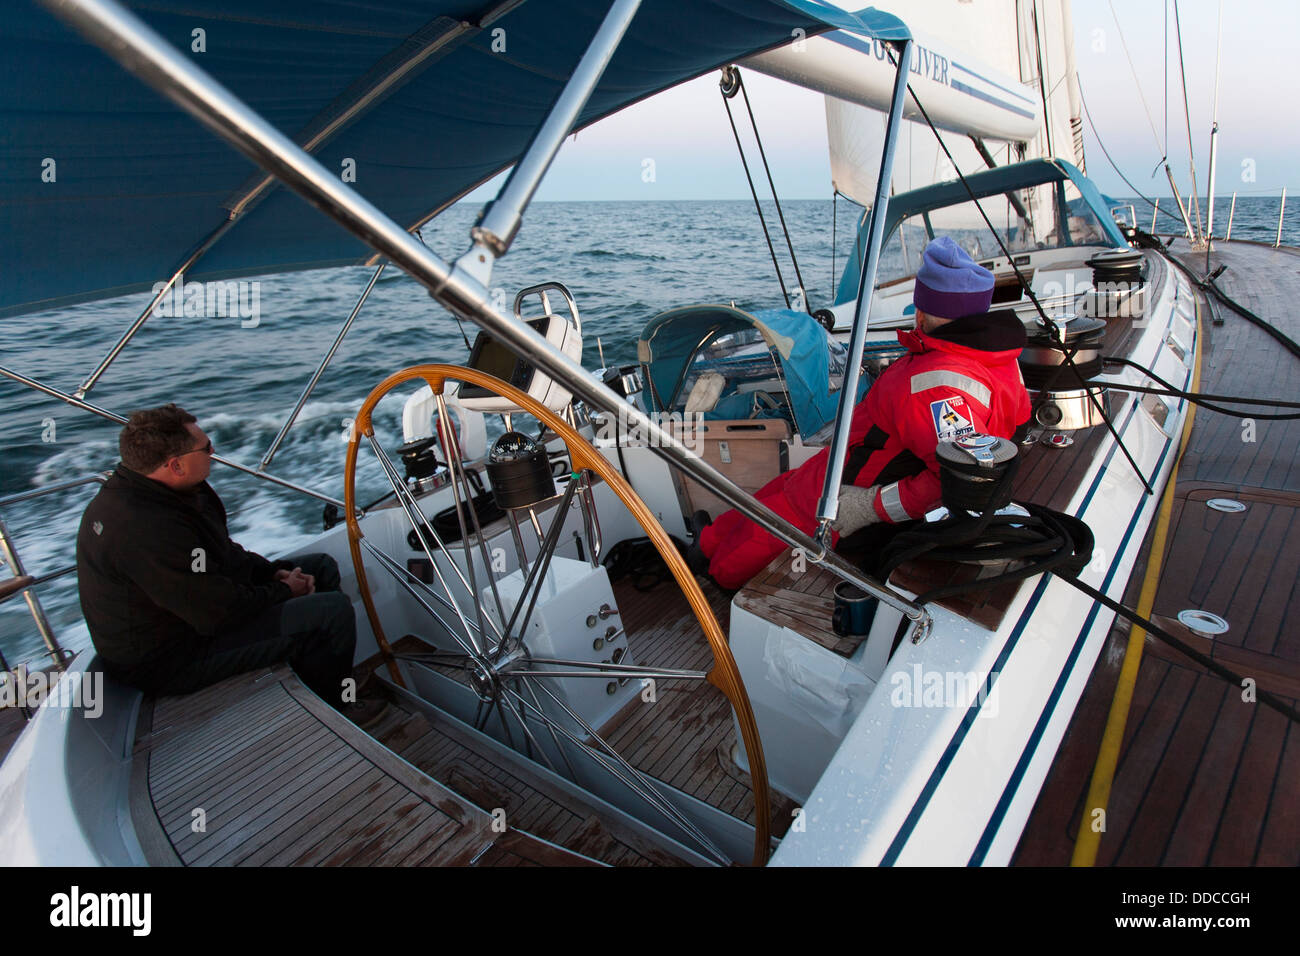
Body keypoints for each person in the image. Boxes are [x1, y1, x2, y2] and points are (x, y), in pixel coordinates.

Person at [696, 236, 1032, 589]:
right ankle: (707, 541)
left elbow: (949, 481)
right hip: (851, 459)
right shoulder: (999, 357)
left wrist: (869, 506)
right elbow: (1019, 423)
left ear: (924, 311)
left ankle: (715, 575)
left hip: (854, 491)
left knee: (773, 524)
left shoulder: (935, 387)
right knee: (778, 489)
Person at [76, 404, 359, 709]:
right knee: (331, 613)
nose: (213, 451)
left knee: (321, 567)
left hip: (195, 617)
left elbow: (221, 551)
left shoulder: (176, 492)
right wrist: (284, 590)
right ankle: (337, 705)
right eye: (206, 447)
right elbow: (217, 613)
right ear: (176, 465)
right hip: (171, 657)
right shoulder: (143, 527)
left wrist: (272, 573)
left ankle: (317, 676)